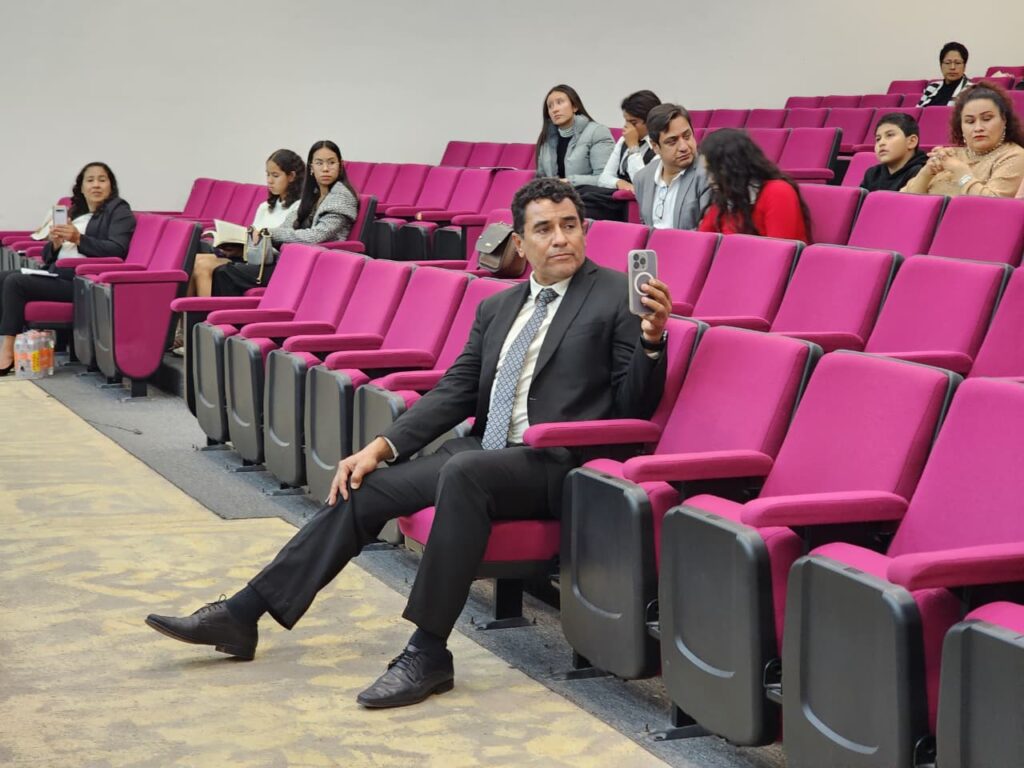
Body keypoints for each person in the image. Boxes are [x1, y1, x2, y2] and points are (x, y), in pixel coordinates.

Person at [145, 178, 673, 709]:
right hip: (486, 454)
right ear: (519, 242)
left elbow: (633, 405)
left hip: (559, 462)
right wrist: (379, 448)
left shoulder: (616, 297)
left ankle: (428, 651)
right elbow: (455, 391)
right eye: (544, 229)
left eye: (570, 225)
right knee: (364, 486)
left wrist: (653, 341)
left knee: (464, 472)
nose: (560, 238)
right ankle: (243, 614)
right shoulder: (498, 307)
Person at [0, 162, 134, 375]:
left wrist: (78, 238)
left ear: (111, 185)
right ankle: (8, 345)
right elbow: (47, 256)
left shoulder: (119, 211)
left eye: (102, 180)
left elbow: (117, 250)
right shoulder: (77, 213)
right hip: (58, 273)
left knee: (15, 282)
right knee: (3, 277)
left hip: (83, 282)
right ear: (81, 187)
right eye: (90, 180)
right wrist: (55, 243)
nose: (96, 185)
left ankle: (7, 352)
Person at [211, 140, 359, 296]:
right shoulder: (314, 195)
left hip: (316, 267)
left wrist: (270, 233)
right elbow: (287, 226)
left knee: (226, 273)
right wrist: (252, 242)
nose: (325, 168)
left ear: (340, 165)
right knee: (223, 269)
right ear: (311, 167)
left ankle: (229, 313)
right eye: (319, 163)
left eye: (331, 162)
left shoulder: (341, 197)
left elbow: (316, 236)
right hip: (295, 260)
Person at [189, 150, 304, 299]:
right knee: (197, 260)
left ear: (291, 176)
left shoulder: (298, 207)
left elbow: (284, 243)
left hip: (270, 263)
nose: (269, 181)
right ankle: (186, 312)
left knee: (205, 266)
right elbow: (251, 238)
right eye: (268, 175)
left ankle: (204, 312)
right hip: (251, 257)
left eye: (275, 176)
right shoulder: (265, 207)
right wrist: (235, 248)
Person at [902, 82, 1024, 197]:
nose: (978, 128)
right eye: (969, 121)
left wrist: (961, 172)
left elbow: (993, 204)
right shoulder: (950, 155)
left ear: (1004, 120)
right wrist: (926, 173)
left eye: (987, 119)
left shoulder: (1013, 155)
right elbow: (904, 200)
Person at [697, 128, 811, 241]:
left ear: (734, 168)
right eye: (708, 172)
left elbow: (781, 250)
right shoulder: (726, 198)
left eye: (714, 171)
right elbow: (701, 243)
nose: (710, 180)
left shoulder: (778, 192)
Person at [632, 103, 711, 230]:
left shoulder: (708, 174)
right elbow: (645, 225)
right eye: (672, 142)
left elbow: (708, 232)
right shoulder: (642, 178)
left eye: (687, 136)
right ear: (655, 146)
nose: (684, 147)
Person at [535, 84, 615, 197]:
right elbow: (540, 179)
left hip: (586, 198)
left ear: (575, 107)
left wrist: (568, 182)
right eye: (550, 106)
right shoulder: (547, 140)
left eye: (559, 102)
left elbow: (606, 178)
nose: (555, 109)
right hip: (554, 199)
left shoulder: (597, 132)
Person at [597, 90, 662, 192]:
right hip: (616, 194)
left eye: (633, 122)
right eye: (626, 121)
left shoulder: (660, 146)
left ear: (651, 121)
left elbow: (642, 184)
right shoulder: (624, 140)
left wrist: (633, 147)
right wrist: (619, 183)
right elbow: (603, 178)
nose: (627, 126)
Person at [861, 113, 928, 192]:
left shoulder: (923, 172)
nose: (881, 143)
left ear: (911, 141)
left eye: (890, 135)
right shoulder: (872, 174)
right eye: (878, 139)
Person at [919, 42, 971, 108]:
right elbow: (919, 109)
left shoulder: (971, 90)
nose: (952, 67)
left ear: (964, 67)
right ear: (941, 66)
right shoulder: (932, 87)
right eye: (947, 63)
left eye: (957, 63)